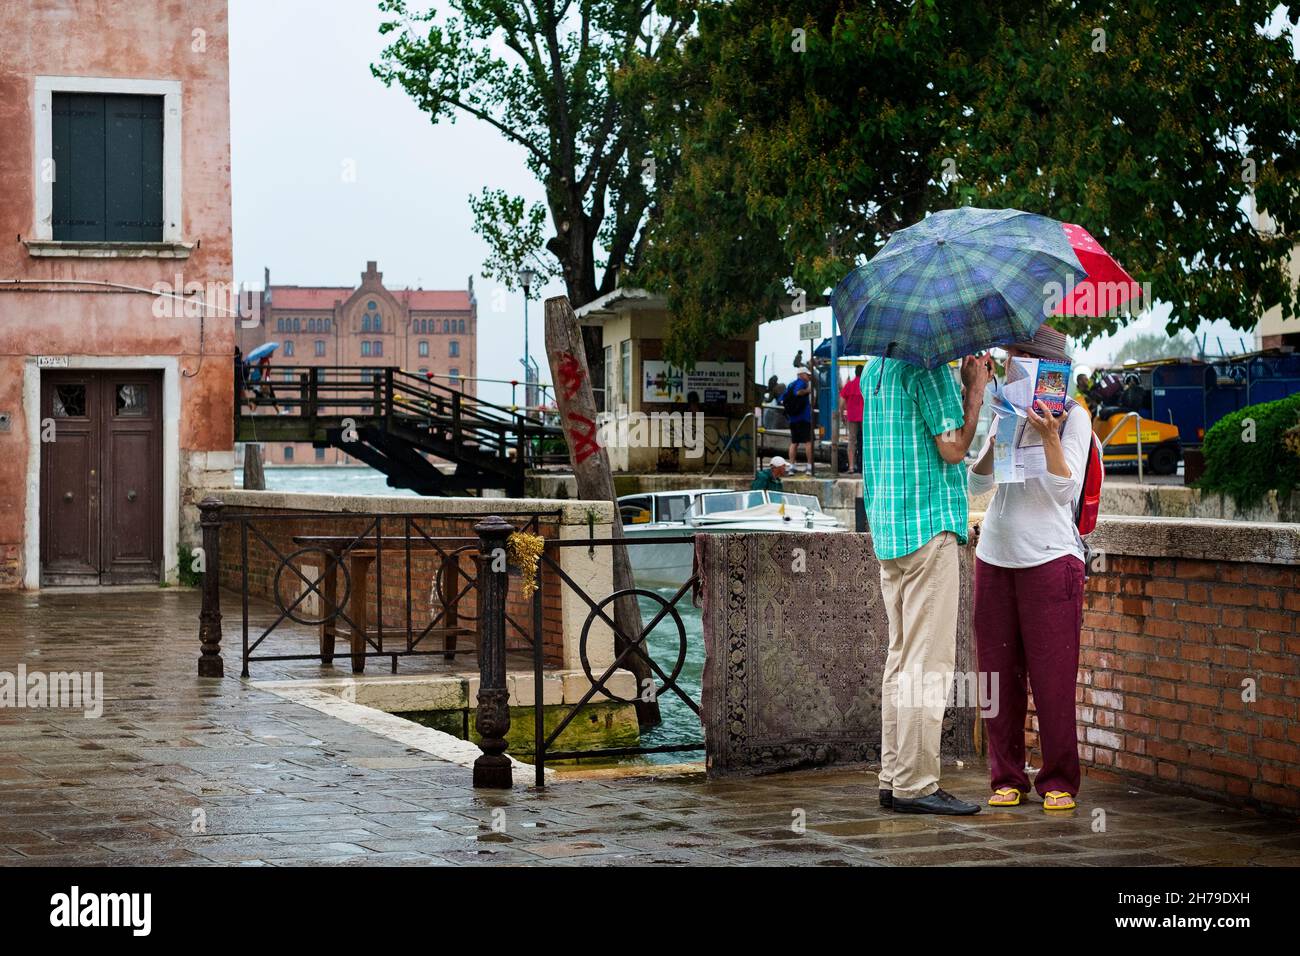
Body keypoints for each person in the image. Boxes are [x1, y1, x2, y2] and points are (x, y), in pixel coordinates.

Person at [863, 351, 991, 815]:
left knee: (900, 659)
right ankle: (916, 784)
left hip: (890, 533)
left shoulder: (874, 371)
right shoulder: (929, 369)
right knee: (927, 664)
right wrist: (973, 392)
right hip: (928, 529)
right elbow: (953, 447)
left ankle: (893, 776)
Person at [969, 324, 1091, 812]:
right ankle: (1006, 775)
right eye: (1006, 358)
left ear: (1044, 367)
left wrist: (1049, 436)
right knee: (996, 677)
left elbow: (1067, 492)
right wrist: (992, 436)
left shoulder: (1075, 419)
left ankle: (1059, 778)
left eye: (1016, 357)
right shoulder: (1004, 412)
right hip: (994, 555)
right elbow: (978, 487)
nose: (1007, 365)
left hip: (1050, 557)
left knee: (1053, 677)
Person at [780, 368, 814, 472]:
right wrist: (808, 391)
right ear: (801, 374)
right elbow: (798, 392)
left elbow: (781, 399)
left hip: (793, 419)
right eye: (807, 375)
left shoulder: (790, 384)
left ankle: (792, 466)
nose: (809, 377)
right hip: (804, 418)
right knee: (808, 441)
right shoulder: (802, 383)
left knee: (794, 443)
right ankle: (809, 466)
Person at [839, 364, 865, 473]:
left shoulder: (849, 385)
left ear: (855, 372)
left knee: (851, 441)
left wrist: (841, 415)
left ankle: (851, 467)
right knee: (866, 441)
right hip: (865, 417)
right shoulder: (866, 384)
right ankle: (865, 465)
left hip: (852, 416)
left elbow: (841, 403)